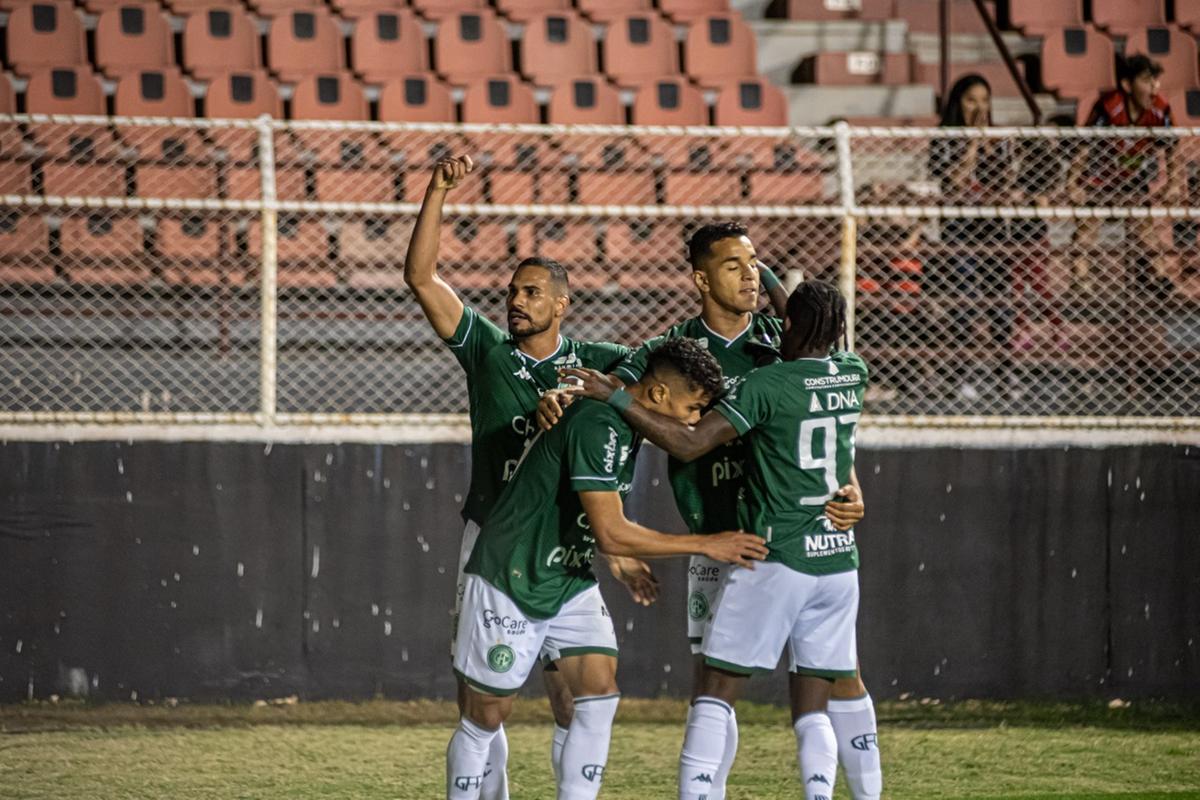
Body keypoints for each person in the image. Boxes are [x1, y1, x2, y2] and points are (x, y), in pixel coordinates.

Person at [541, 223, 878, 800]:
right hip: (719, 537)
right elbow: (619, 405)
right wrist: (561, 395)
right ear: (700, 277)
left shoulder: (781, 338)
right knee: (715, 682)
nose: (748, 274)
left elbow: (826, 421)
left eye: (754, 264)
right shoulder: (671, 350)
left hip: (792, 538)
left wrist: (850, 485)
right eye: (732, 265)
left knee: (835, 678)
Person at [404, 153, 657, 799]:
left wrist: (589, 399)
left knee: (575, 696)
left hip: (562, 546)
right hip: (490, 538)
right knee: (482, 696)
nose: (516, 301)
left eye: (531, 292)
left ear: (562, 304)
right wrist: (436, 191)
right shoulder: (488, 350)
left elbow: (657, 387)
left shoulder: (598, 363)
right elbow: (423, 277)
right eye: (513, 292)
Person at [448, 338, 770, 800]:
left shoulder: (625, 423)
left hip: (568, 575)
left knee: (598, 695)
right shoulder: (599, 423)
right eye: (693, 407)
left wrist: (618, 559)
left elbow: (587, 514)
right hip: (513, 573)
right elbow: (611, 531)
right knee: (485, 717)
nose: (696, 421)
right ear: (659, 395)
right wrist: (706, 544)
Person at [928, 74, 1013, 397]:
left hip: (992, 229)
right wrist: (974, 144)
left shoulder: (1000, 139)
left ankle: (1005, 377)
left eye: (984, 100)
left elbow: (1005, 183)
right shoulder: (945, 137)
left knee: (1000, 304)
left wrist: (990, 145)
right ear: (957, 103)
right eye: (971, 100)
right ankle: (960, 376)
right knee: (963, 301)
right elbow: (952, 182)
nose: (979, 108)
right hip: (959, 230)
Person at [1070, 53, 1181, 298]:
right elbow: (1084, 146)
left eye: (1155, 81)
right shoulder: (1109, 107)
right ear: (1127, 85)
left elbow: (1172, 148)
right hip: (1100, 174)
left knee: (1145, 228)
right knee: (1087, 226)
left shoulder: (1160, 110)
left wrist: (1173, 184)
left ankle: (1158, 276)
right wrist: (1073, 182)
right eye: (1146, 81)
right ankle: (1081, 278)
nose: (1154, 87)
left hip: (1132, 175)